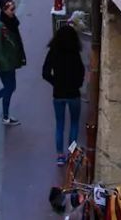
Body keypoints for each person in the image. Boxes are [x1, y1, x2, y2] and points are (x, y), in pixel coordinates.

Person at [41, 22, 86, 165]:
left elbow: (45, 73)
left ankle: (60, 155)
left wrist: (56, 82)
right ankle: (71, 152)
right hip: (73, 93)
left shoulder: (53, 52)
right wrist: (78, 84)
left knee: (59, 124)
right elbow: (81, 71)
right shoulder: (75, 52)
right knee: (74, 124)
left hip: (58, 93)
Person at [0, 0, 26, 126]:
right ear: (4, 10)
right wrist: (5, 64)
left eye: (14, 8)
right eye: (11, 9)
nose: (13, 11)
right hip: (5, 64)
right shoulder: (0, 27)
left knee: (10, 87)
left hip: (10, 61)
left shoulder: (11, 22)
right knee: (9, 87)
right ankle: (5, 116)